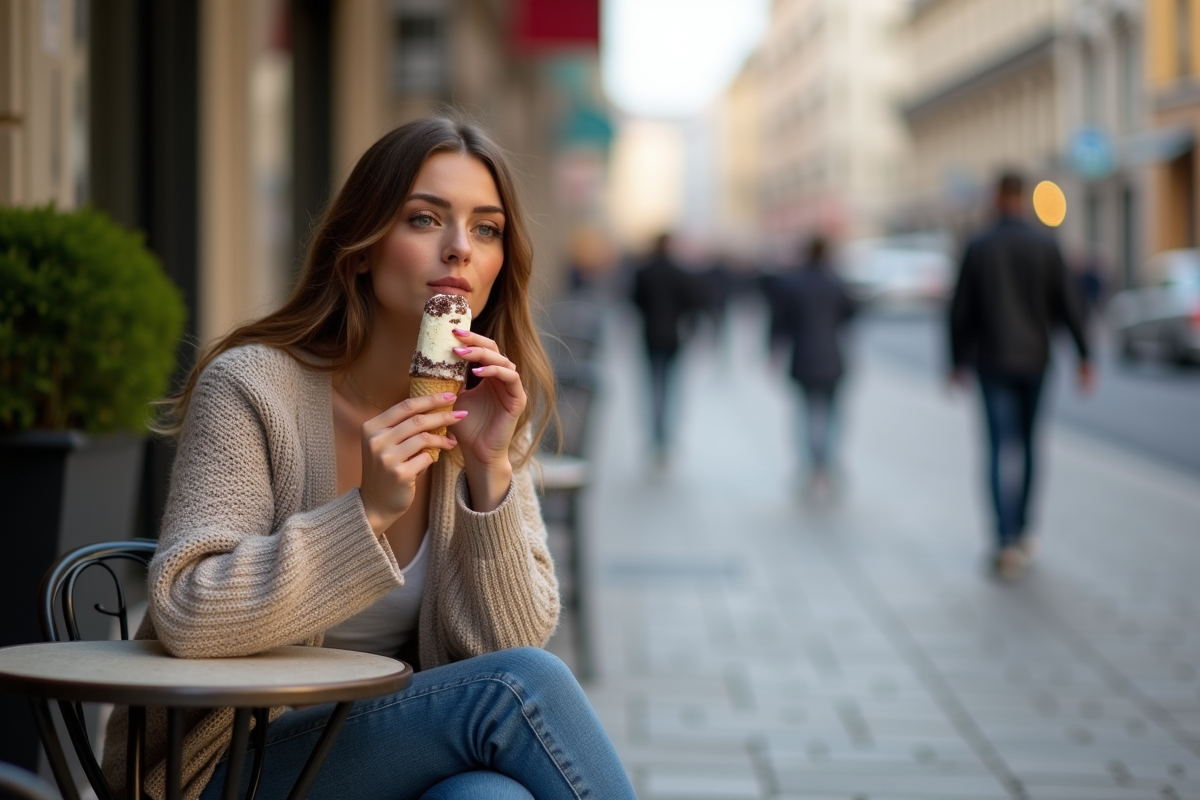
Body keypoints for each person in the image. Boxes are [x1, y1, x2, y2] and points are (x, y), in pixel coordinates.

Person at [99, 117, 637, 800]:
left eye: (486, 228)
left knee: (487, 797)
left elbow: (508, 639)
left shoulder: (482, 409)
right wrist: (368, 513)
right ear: (361, 248)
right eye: (424, 219)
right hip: (231, 767)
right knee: (518, 689)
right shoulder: (253, 387)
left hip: (400, 754)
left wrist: (488, 479)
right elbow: (187, 612)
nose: (459, 250)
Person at [948, 170, 1093, 581]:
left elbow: (961, 310)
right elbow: (1068, 303)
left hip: (992, 361)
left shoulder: (978, 245)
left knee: (997, 450)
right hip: (1034, 359)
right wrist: (1084, 355)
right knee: (1030, 447)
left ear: (996, 196)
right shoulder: (1045, 244)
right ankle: (1026, 531)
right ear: (1025, 197)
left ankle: (1003, 540)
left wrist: (955, 360)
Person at [771, 236, 856, 495]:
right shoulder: (836, 282)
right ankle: (827, 464)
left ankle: (809, 466)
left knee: (805, 414)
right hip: (832, 358)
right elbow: (850, 314)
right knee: (831, 415)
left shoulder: (792, 283)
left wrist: (772, 350)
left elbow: (780, 322)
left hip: (803, 358)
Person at [631, 232, 697, 466]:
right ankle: (667, 436)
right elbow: (692, 304)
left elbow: (635, 301)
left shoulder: (644, 272)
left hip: (650, 336)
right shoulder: (680, 272)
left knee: (655, 386)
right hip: (673, 337)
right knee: (671, 387)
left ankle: (656, 436)